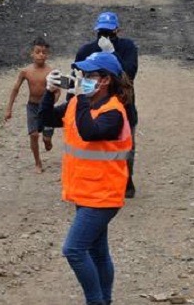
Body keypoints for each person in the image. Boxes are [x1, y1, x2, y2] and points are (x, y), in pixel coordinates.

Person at [40, 52, 134, 305]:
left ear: (105, 80)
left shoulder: (113, 112)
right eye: (82, 74)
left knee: (73, 249)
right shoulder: (78, 103)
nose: (82, 79)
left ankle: (96, 301)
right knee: (98, 252)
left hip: (103, 195)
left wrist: (79, 95)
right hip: (85, 192)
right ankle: (105, 300)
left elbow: (89, 132)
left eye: (89, 75)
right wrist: (49, 93)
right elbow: (45, 119)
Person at [75, 11, 139, 198]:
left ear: (117, 30)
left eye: (109, 32)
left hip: (122, 106)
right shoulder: (86, 51)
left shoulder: (127, 48)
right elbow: (77, 78)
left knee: (126, 147)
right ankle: (98, 183)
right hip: (93, 106)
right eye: (102, 31)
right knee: (95, 146)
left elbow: (129, 74)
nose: (105, 36)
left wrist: (113, 53)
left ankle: (126, 180)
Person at [4, 37, 59, 173]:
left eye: (44, 52)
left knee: (46, 140)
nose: (41, 55)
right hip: (33, 106)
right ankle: (37, 162)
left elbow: (58, 90)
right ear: (32, 54)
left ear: (48, 55)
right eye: (38, 52)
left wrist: (52, 102)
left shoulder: (52, 72)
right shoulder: (26, 71)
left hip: (47, 108)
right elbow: (15, 89)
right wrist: (8, 109)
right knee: (34, 135)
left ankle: (48, 140)